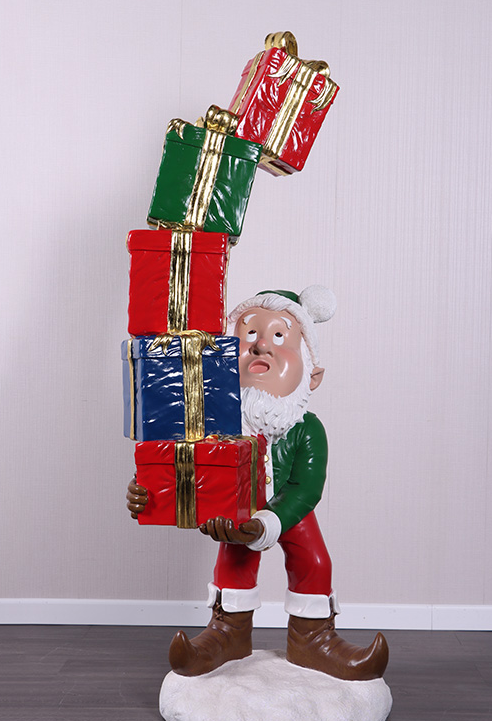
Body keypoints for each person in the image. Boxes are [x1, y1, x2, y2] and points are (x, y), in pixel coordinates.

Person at [127, 286, 388, 681]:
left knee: (314, 560)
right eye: (249, 335)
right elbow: (181, 467)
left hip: (288, 512)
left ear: (312, 375)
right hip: (236, 512)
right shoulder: (214, 427)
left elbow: (306, 488)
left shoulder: (306, 430)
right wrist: (148, 492)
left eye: (279, 337)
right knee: (234, 558)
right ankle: (228, 632)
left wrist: (268, 522)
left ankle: (313, 638)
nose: (262, 345)